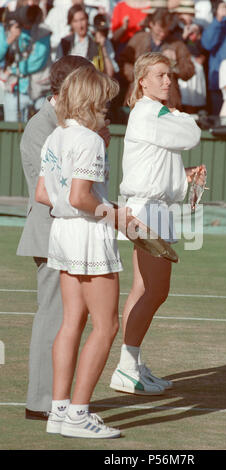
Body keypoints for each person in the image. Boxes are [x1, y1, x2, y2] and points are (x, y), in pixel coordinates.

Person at [35, 65, 127, 438]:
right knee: (106, 326)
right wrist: (121, 217)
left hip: (63, 232)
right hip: (88, 234)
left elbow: (45, 194)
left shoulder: (56, 136)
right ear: (90, 99)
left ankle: (60, 411)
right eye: (104, 97)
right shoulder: (86, 139)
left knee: (71, 321)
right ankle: (78, 414)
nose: (108, 104)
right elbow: (80, 197)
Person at [16, 55, 110, 421]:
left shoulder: (69, 124)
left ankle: (57, 401)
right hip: (53, 232)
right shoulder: (43, 127)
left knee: (70, 318)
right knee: (55, 318)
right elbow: (54, 190)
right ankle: (41, 401)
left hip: (68, 230)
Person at [110, 51, 205, 395]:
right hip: (146, 211)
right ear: (143, 81)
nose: (167, 81)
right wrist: (184, 117)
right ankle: (125, 366)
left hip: (155, 208)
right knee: (156, 291)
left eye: (169, 75)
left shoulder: (155, 113)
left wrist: (183, 175)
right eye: (160, 75)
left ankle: (130, 364)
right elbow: (192, 133)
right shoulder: (150, 112)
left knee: (143, 289)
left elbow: (158, 162)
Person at [119, 7, 195, 110]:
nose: (162, 34)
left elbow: (189, 72)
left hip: (168, 101)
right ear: (151, 24)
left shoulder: (177, 44)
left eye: (165, 30)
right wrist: (137, 75)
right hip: (138, 97)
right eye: (159, 30)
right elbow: (122, 62)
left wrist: (174, 65)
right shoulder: (138, 39)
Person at [0, 4, 52, 121]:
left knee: (39, 133)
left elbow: (37, 61)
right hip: (15, 91)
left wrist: (11, 70)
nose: (30, 18)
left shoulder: (43, 31)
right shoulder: (9, 30)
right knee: (13, 131)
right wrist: (10, 39)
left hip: (38, 91)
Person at [173, 0, 207, 112]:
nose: (189, 17)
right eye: (186, 14)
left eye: (191, 14)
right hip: (181, 66)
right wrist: (184, 36)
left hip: (195, 67)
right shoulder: (175, 30)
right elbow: (173, 47)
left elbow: (201, 50)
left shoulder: (197, 30)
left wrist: (197, 38)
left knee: (192, 102)